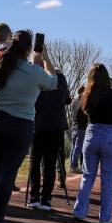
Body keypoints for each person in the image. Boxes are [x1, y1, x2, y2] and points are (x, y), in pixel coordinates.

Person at [0, 31, 58, 223]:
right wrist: (45, 59)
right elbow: (53, 83)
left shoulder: (0, 65)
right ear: (28, 49)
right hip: (19, 124)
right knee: (7, 173)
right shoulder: (34, 71)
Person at [72, 64, 112, 223]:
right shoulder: (111, 93)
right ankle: (105, 217)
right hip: (109, 133)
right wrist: (111, 81)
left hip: (91, 132)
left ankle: (80, 212)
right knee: (107, 179)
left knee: (88, 175)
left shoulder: (86, 95)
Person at [26, 64, 70, 211]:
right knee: (50, 163)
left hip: (37, 125)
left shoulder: (35, 76)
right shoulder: (60, 77)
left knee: (35, 160)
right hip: (55, 126)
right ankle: (46, 199)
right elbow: (67, 99)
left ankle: (34, 198)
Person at [69, 86, 86, 173]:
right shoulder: (82, 102)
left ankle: (71, 165)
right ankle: (74, 166)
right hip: (81, 127)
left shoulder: (73, 102)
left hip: (74, 126)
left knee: (73, 147)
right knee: (78, 147)